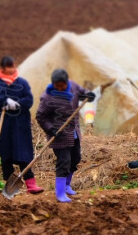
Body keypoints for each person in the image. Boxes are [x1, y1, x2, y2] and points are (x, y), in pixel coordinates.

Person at [0, 56, 43, 194]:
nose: (11, 70)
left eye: (12, 67)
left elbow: (29, 100)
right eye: (8, 68)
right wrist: (4, 101)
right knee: (6, 155)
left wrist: (17, 104)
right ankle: (10, 187)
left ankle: (31, 184)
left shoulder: (22, 82)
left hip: (19, 125)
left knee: (24, 153)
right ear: (3, 68)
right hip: (2, 125)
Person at [35, 68, 94, 203]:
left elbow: (82, 92)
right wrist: (51, 129)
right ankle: (60, 193)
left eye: (62, 85)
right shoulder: (47, 97)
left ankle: (67, 185)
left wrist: (88, 95)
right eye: (57, 86)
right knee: (64, 162)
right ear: (53, 83)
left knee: (75, 159)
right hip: (59, 135)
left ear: (66, 82)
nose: (60, 88)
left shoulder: (72, 86)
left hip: (74, 132)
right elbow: (41, 116)